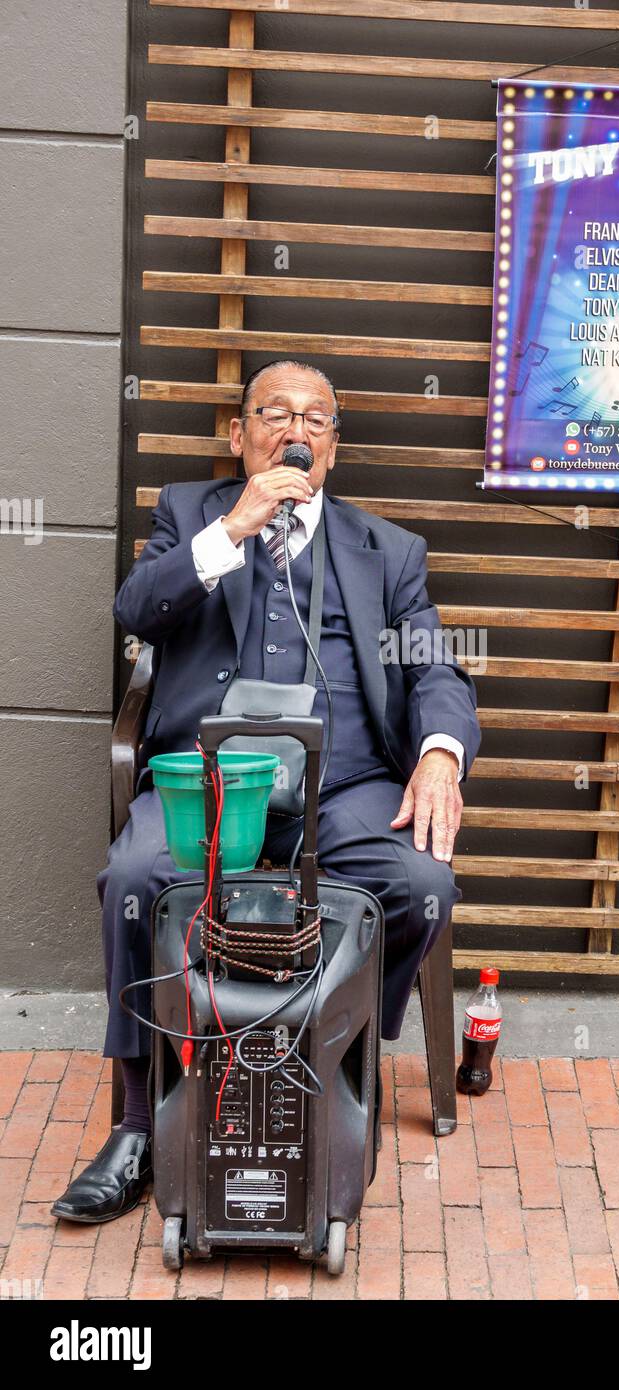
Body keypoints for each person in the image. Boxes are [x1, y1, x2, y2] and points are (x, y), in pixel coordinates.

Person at [51, 359, 481, 1223]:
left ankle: (329, 1056)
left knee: (423, 887)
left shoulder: (387, 551)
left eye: (317, 419)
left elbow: (434, 665)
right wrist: (232, 532)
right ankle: (138, 1124)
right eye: (276, 413)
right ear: (241, 433)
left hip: (344, 789)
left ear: (333, 445)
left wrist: (440, 752)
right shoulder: (189, 513)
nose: (298, 430)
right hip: (212, 787)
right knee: (134, 880)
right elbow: (136, 612)